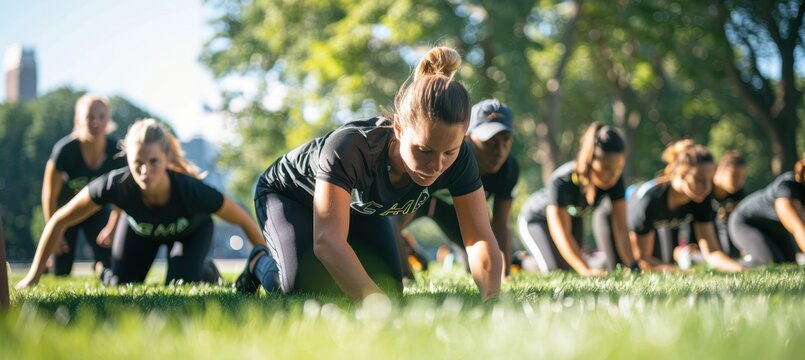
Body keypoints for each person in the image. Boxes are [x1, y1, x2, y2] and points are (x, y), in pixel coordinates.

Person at [235, 47, 502, 300]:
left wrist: (491, 300)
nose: (436, 165)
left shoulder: (459, 158)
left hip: (355, 206)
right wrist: (376, 305)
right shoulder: (351, 147)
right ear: (398, 128)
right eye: (424, 150)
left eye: (449, 152)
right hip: (287, 194)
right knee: (304, 286)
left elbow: (479, 236)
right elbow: (327, 241)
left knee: (389, 287)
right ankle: (259, 261)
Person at [16, 119, 265, 288]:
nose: (145, 170)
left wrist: (266, 265)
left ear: (167, 158)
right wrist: (32, 277)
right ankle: (102, 269)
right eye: (138, 163)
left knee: (180, 284)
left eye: (154, 161)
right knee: (120, 284)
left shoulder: (191, 190)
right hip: (140, 232)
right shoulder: (115, 184)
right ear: (128, 160)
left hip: (190, 234)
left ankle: (204, 269)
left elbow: (243, 219)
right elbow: (59, 219)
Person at [393, 99, 519, 277]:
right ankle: (403, 250)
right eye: (489, 141)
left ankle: (444, 254)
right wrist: (404, 276)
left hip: (456, 212)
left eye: (505, 140)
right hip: (420, 199)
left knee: (478, 262)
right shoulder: (444, 156)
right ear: (466, 136)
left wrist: (504, 274)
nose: (499, 150)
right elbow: (393, 218)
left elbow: (500, 224)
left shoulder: (508, 169)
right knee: (391, 233)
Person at [519, 123, 635, 275]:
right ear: (590, 160)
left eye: (618, 168)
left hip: (572, 216)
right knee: (557, 270)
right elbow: (562, 234)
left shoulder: (615, 180)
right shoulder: (562, 182)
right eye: (607, 167)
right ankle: (522, 261)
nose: (613, 175)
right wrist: (586, 270)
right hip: (537, 221)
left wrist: (633, 265)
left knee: (572, 267)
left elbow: (621, 228)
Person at [624, 140, 743, 272]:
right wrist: (682, 273)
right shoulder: (651, 200)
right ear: (681, 174)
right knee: (625, 265)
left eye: (710, 180)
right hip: (617, 218)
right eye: (699, 179)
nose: (706, 187)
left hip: (655, 225)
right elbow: (642, 261)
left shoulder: (701, 199)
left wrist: (740, 270)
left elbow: (712, 252)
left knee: (663, 262)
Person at [41, 94, 126, 275]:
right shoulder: (64, 151)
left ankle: (98, 267)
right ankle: (50, 264)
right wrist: (54, 232)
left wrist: (112, 227)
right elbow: (49, 194)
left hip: (96, 210)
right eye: (89, 117)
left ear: (108, 119)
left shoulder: (117, 151)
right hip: (66, 211)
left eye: (101, 116)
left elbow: (123, 195)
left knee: (110, 263)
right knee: (61, 271)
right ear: (78, 119)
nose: (96, 122)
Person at [728, 152, 805, 266]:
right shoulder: (787, 188)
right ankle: (735, 264)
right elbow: (798, 228)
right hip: (745, 222)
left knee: (788, 263)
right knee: (770, 262)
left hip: (774, 228)